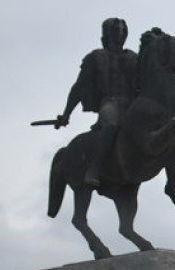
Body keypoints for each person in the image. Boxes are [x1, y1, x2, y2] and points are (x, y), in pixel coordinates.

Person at [53, 18, 140, 187]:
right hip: (110, 103)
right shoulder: (96, 57)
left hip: (132, 105)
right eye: (117, 30)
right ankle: (94, 168)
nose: (121, 34)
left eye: (124, 30)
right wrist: (66, 114)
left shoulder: (134, 58)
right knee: (111, 126)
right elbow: (79, 88)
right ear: (108, 33)